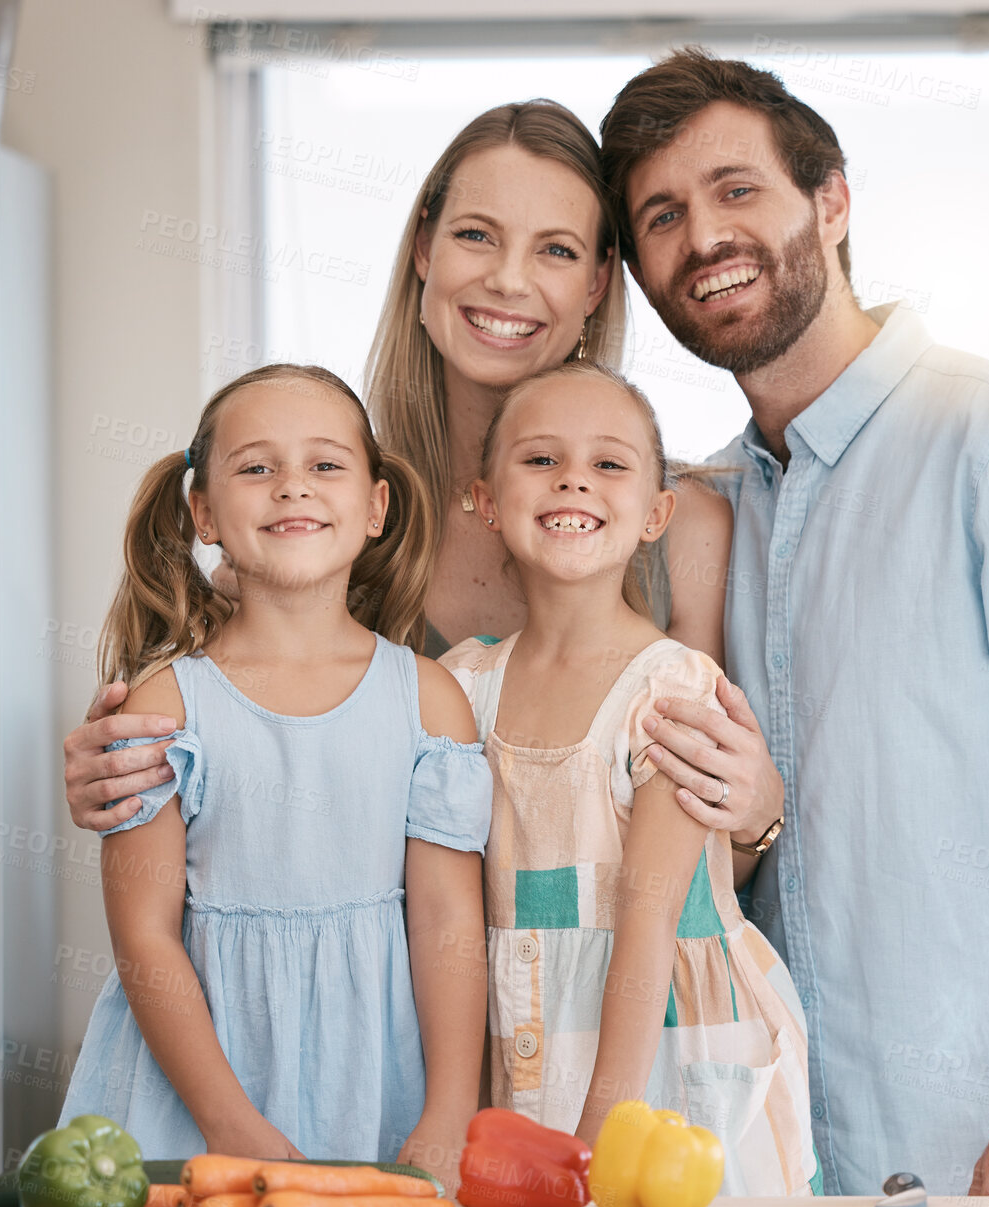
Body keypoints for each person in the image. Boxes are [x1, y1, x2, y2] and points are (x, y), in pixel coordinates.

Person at [598, 50, 989, 1198]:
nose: (703, 237)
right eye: (662, 216)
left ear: (830, 201)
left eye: (737, 190)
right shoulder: (706, 516)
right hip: (803, 1198)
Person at [65, 102, 789, 929]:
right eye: (476, 235)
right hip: (394, 1031)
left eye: (555, 250)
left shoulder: (684, 527)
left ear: (595, 284)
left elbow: (703, 861)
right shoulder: (327, 517)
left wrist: (757, 816)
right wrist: (123, 773)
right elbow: (230, 805)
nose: (508, 280)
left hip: (597, 1028)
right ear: (423, 251)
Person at [56, 364, 490, 1189]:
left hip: (376, 1087)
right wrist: (231, 1125)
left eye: (325, 465)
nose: (293, 487)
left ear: (375, 507)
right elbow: (145, 936)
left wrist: (448, 1109)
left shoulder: (430, 702)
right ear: (204, 514)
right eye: (257, 467)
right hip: (197, 1102)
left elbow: (446, 923)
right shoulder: (165, 706)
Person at [440, 360, 819, 1196]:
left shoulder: (673, 689)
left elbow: (647, 920)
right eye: (540, 459)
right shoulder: (460, 689)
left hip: (664, 1059)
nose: (574, 476)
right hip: (530, 1034)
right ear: (486, 500)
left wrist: (600, 1130)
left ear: (656, 516)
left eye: (608, 463)